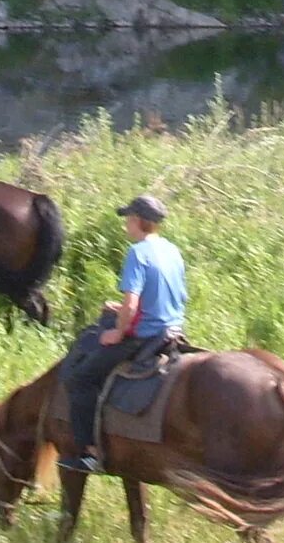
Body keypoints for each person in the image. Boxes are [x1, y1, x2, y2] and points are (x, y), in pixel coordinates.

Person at [59, 192, 188, 474]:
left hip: (145, 336)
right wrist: (120, 308)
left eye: (128, 219)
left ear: (138, 221)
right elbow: (169, 298)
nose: (126, 225)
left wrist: (118, 331)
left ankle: (90, 454)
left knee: (80, 380)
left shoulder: (138, 253)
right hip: (173, 331)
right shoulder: (172, 251)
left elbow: (132, 302)